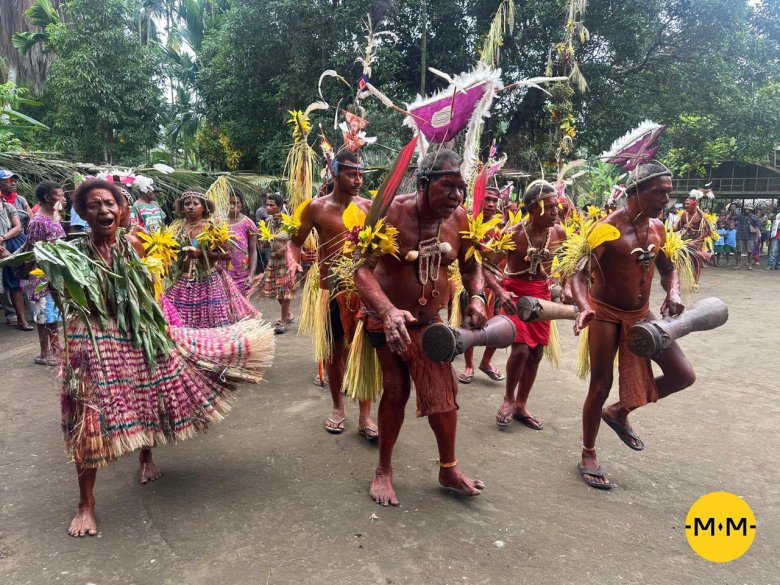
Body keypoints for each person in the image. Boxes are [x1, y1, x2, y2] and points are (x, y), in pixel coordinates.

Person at [27, 179, 273, 537]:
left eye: (110, 204)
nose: (104, 210)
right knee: (86, 417)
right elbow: (59, 292)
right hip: (91, 340)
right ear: (81, 213)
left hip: (138, 332)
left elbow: (153, 288)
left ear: (122, 210)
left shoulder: (138, 244)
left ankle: (145, 459)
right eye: (94, 205)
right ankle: (86, 503)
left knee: (150, 395)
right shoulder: (69, 254)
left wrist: (163, 327)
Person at [353, 148, 488, 506]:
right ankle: (383, 470)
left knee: (443, 397)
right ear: (424, 182)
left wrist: (477, 298)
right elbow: (361, 269)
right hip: (389, 322)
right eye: (448, 186)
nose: (457, 196)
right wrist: (387, 310)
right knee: (396, 391)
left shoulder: (459, 219)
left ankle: (448, 468)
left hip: (431, 324)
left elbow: (472, 265)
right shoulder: (390, 212)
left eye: (461, 187)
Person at [570, 162, 696, 490]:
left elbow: (668, 268)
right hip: (606, 314)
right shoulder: (606, 229)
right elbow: (577, 274)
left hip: (642, 314)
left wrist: (674, 290)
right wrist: (584, 307)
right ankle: (588, 453)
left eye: (669, 192)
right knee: (600, 385)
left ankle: (619, 410)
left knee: (683, 374)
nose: (667, 199)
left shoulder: (658, 228)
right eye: (660, 192)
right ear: (636, 191)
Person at [286, 150, 377, 439]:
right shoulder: (316, 208)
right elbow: (294, 242)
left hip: (363, 292)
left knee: (365, 352)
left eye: (361, 174)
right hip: (331, 289)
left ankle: (365, 416)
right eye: (352, 173)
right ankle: (338, 407)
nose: (358, 179)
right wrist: (293, 260)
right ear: (335, 174)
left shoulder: (368, 207)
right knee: (335, 352)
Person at [495, 181, 566, 430]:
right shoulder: (513, 233)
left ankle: (521, 405)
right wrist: (499, 291)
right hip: (514, 295)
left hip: (541, 297)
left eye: (557, 206)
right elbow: (488, 265)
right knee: (521, 350)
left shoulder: (558, 233)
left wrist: (564, 286)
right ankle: (508, 399)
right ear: (533, 209)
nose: (556, 211)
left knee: (536, 353)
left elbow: (571, 264)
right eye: (550, 207)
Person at [163, 190, 259, 328]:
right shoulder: (177, 229)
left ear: (204, 207)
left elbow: (227, 255)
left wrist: (203, 254)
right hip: (182, 280)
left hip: (208, 279)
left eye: (195, 203)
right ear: (182, 208)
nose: (190, 207)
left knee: (212, 322)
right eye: (187, 204)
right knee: (180, 322)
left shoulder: (212, 228)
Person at [459, 186, 506, 384]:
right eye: (487, 199)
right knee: (470, 324)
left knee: (498, 325)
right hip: (471, 285)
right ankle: (469, 365)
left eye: (495, 201)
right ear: (478, 200)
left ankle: (486, 362)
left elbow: (504, 257)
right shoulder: (467, 224)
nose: (491, 204)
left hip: (494, 285)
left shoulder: (501, 228)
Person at [25, 181, 67, 365]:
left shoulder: (55, 217)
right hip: (41, 274)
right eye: (60, 195)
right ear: (47, 198)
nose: (63, 199)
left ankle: (57, 349)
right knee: (43, 315)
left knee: (54, 314)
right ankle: (44, 353)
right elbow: (30, 252)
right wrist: (35, 275)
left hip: (55, 274)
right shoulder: (37, 221)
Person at [262, 192, 295, 334]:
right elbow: (266, 241)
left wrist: (285, 250)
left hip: (286, 261)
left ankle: (282, 322)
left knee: (285, 291)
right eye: (267, 205)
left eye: (271, 205)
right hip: (274, 259)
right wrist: (264, 243)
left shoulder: (288, 222)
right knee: (277, 291)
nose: (268, 208)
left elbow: (293, 242)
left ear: (280, 206)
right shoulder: (268, 222)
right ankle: (287, 315)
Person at [0, 190, 33, 331]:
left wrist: (2, 238)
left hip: (14, 245)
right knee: (13, 285)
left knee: (19, 282)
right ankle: (20, 319)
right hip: (3, 249)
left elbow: (18, 227)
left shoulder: (8, 206)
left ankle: (25, 319)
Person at [674, 191, 712, 286]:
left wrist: (696, 241)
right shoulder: (683, 214)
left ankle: (695, 283)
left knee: (696, 262)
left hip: (697, 241)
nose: (686, 206)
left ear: (695, 204)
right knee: (680, 260)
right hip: (685, 241)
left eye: (688, 204)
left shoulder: (701, 215)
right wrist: (671, 228)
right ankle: (678, 282)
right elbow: (678, 227)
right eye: (685, 204)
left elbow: (707, 231)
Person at [226, 187, 258, 297]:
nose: (232, 206)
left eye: (236, 203)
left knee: (243, 309)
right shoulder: (218, 223)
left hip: (242, 276)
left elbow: (253, 251)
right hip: (222, 274)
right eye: (229, 203)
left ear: (241, 204)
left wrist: (251, 274)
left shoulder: (248, 224)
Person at [734, 206, 760, 270]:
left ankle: (750, 265)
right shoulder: (740, 216)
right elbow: (733, 216)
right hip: (740, 235)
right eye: (745, 209)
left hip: (750, 236)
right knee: (739, 251)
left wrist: (757, 237)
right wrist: (735, 209)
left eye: (748, 209)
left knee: (750, 251)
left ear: (751, 210)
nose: (746, 210)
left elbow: (757, 228)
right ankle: (738, 265)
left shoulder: (754, 217)